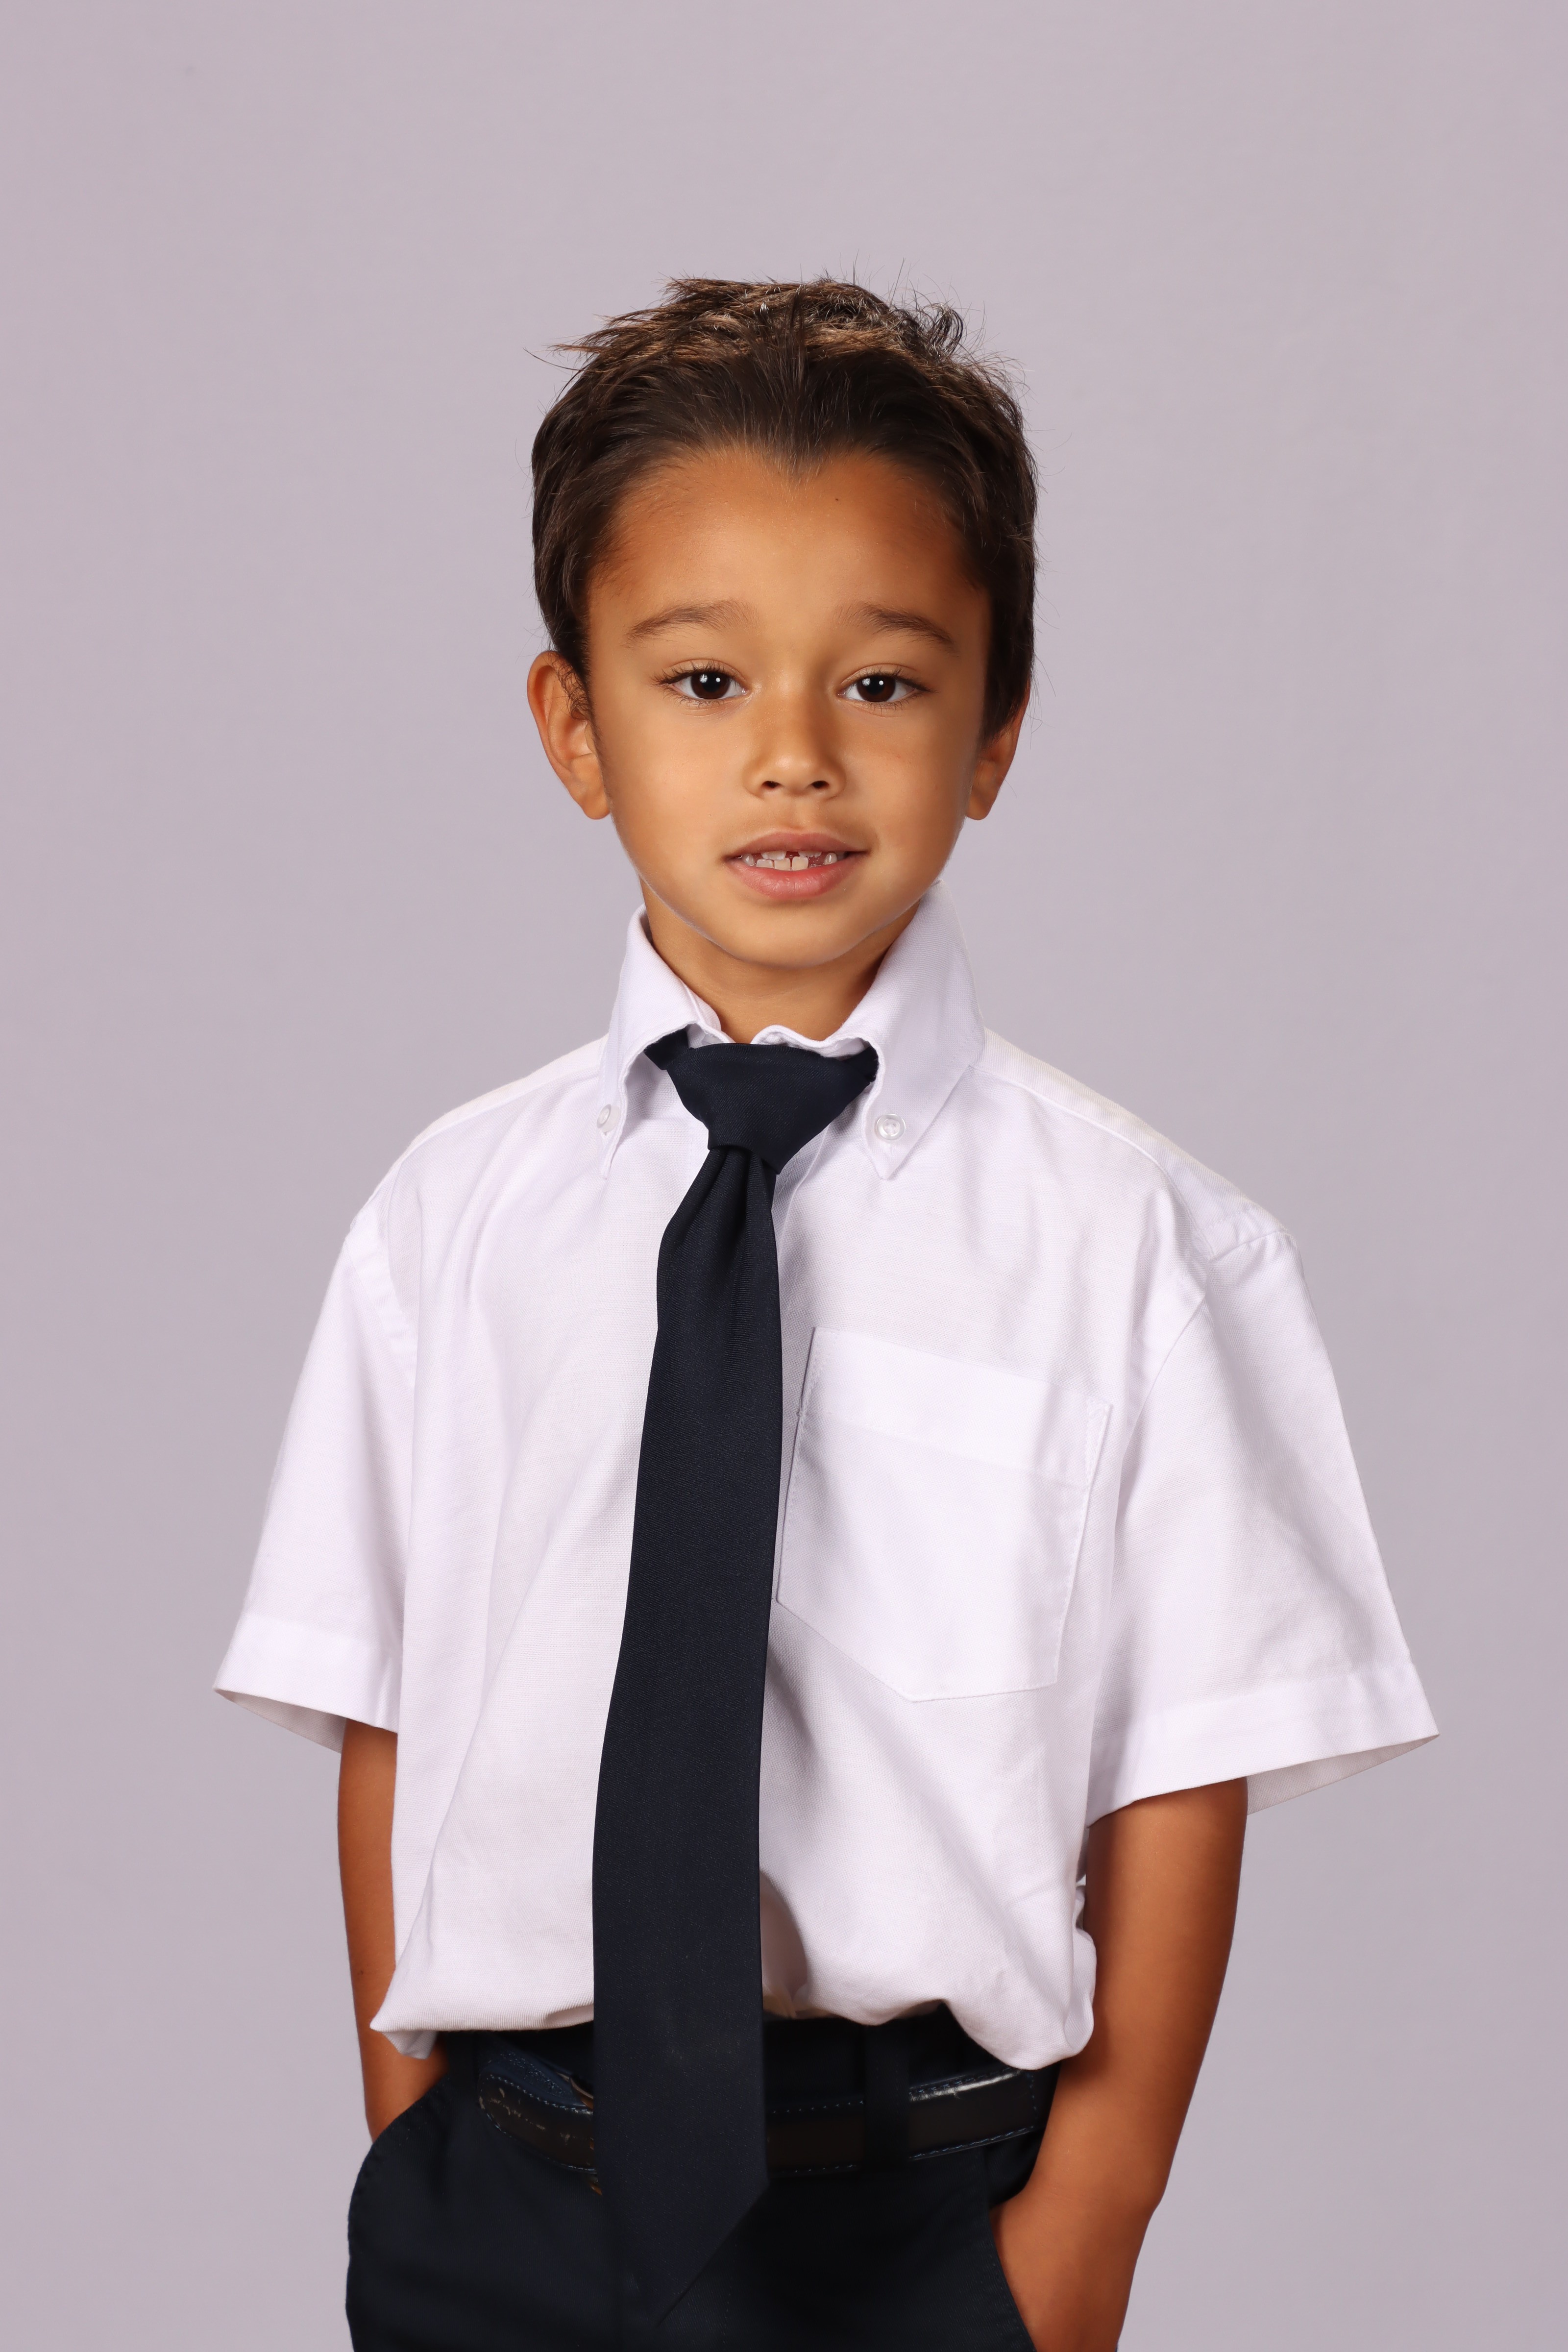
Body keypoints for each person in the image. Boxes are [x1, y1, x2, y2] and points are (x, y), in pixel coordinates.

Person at [215, 278, 1436, 2351]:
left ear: (996, 729)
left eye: (880, 682)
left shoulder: (1138, 1242)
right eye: (701, 681)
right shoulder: (448, 1220)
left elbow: (1180, 1769)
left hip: (922, 2220)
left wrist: (1083, 2230)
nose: (791, 755)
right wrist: (407, 2139)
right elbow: (384, 1698)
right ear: (574, 730)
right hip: (508, 2196)